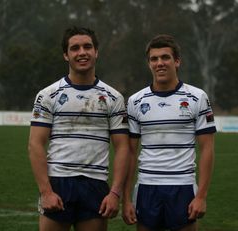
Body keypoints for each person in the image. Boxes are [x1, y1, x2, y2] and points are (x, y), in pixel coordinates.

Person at [28, 26, 129, 231]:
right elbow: (35, 144)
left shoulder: (113, 98)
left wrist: (115, 193)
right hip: (58, 183)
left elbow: (123, 148)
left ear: (96, 52)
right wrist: (46, 192)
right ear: (66, 55)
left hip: (95, 185)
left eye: (87, 47)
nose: (82, 52)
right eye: (75, 48)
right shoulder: (48, 95)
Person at [122, 34, 216, 231]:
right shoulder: (135, 101)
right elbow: (130, 153)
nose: (160, 63)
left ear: (177, 61)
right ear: (149, 64)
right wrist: (127, 198)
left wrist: (201, 197)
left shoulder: (197, 97)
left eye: (165, 57)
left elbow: (207, 148)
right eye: (154, 59)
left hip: (182, 186)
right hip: (147, 187)